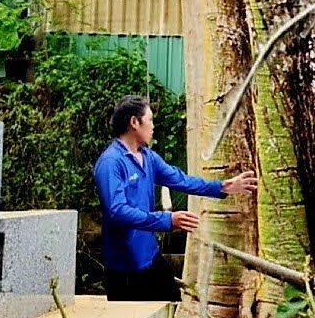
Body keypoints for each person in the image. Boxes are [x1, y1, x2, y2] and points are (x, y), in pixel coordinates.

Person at [93, 95, 257, 301]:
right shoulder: (111, 163)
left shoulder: (148, 157)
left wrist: (223, 187)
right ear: (135, 122)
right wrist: (167, 220)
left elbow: (181, 180)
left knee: (173, 302)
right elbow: (117, 211)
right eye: (150, 120)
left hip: (150, 257)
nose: (153, 126)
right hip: (124, 267)